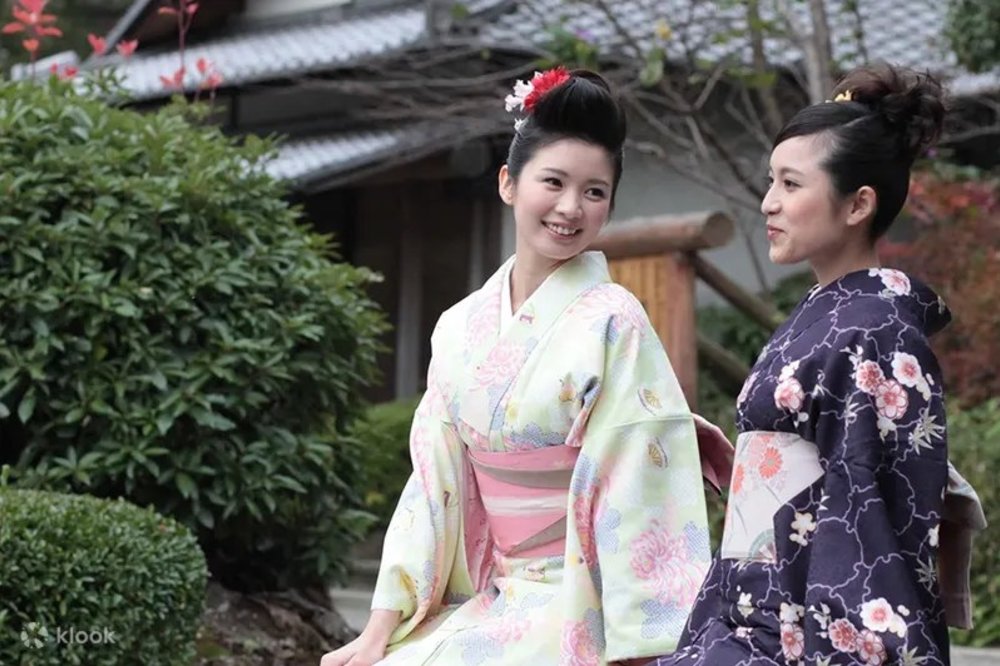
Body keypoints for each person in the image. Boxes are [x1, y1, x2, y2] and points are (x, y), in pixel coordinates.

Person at [320, 67, 717, 666]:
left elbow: (643, 482)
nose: (569, 207)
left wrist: (642, 646)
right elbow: (434, 485)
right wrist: (381, 627)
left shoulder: (614, 320)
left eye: (593, 191)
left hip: (582, 604)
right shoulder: (457, 328)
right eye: (553, 182)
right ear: (508, 182)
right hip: (498, 594)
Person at [649, 62, 986, 666]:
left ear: (858, 205)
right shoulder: (836, 316)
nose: (769, 203)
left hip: (802, 633)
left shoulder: (874, 330)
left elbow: (863, 507)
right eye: (771, 181)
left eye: (791, 184)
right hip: (758, 615)